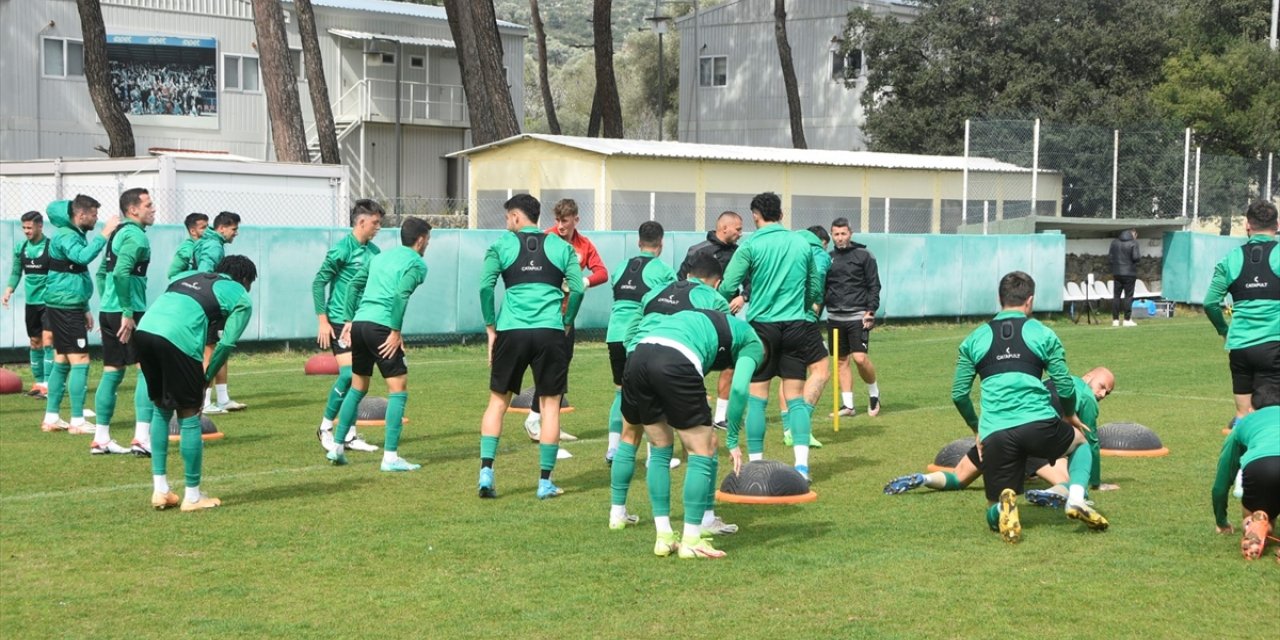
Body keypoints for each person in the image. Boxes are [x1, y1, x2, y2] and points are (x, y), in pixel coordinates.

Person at [952, 271, 1107, 543]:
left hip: (996, 433)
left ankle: (1002, 507)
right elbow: (1065, 385)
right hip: (1039, 424)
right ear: (1030, 300)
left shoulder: (974, 339)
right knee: (1081, 442)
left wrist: (978, 428)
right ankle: (1076, 496)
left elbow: (959, 395)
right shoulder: (1043, 333)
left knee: (992, 511)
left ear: (1000, 299)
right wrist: (1069, 414)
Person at [609, 253, 737, 536]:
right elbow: (719, 342)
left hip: (637, 360)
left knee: (633, 437)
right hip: (678, 367)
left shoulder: (655, 292)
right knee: (706, 443)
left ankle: (617, 512)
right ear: (716, 283)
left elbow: (636, 328)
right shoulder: (713, 299)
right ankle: (705, 519)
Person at [621, 309, 763, 558]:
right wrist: (731, 440)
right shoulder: (754, 343)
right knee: (702, 450)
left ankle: (664, 537)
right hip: (675, 359)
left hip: (638, 357)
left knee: (660, 447)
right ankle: (692, 540)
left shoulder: (712, 324)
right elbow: (739, 389)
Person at [477, 194, 584, 499]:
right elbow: (577, 289)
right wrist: (567, 321)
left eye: (507, 217)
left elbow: (485, 286)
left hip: (511, 332)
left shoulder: (501, 246)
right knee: (550, 407)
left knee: (497, 402)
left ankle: (486, 471)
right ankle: (544, 482)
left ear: (515, 217)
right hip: (550, 333)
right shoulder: (562, 247)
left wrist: (490, 328)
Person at [718, 192, 826, 479]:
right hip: (795, 325)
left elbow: (729, 284)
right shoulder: (801, 242)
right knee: (795, 397)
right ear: (780, 213)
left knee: (757, 398)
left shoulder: (751, 243)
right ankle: (802, 466)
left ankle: (755, 465)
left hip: (762, 328)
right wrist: (804, 307)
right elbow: (815, 286)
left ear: (755, 215)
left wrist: (719, 304)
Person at [138, 255, 256, 511]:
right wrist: (205, 379)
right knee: (190, 414)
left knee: (161, 408)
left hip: (144, 332)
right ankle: (192, 497)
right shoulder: (240, 295)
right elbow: (225, 345)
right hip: (177, 340)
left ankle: (161, 491)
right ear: (245, 281)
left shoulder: (187, 276)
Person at [326, 218, 432, 471]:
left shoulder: (381, 257)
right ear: (420, 240)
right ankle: (391, 458)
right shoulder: (417, 264)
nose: (428, 243)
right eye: (428, 239)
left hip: (361, 325)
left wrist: (349, 319)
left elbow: (353, 285)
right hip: (381, 328)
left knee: (358, 386)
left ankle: (337, 447)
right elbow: (400, 295)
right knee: (398, 389)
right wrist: (395, 330)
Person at [522, 198, 606, 451]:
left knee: (560, 368)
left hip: (566, 317)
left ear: (576, 220)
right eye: (557, 220)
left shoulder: (584, 245)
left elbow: (602, 272)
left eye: (565, 220)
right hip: (542, 315)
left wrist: (583, 282)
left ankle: (544, 421)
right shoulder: (545, 238)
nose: (560, 225)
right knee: (547, 368)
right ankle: (536, 420)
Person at [40, 196, 120, 435]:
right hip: (65, 306)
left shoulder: (72, 233)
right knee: (80, 361)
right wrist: (104, 234)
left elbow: (74, 271)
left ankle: (52, 418)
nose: (97, 219)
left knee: (63, 360)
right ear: (81, 214)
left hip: (67, 304)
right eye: (94, 214)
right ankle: (77, 420)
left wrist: (84, 306)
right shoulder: (66, 235)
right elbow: (82, 257)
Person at [313, 200, 385, 454]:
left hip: (361, 323)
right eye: (375, 222)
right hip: (337, 322)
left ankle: (350, 435)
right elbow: (318, 283)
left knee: (359, 379)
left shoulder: (375, 253)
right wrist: (322, 320)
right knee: (348, 376)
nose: (379, 227)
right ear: (361, 222)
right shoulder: (341, 250)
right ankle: (324, 429)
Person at [91, 188, 157, 456]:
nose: (153, 209)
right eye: (148, 205)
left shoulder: (118, 233)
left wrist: (107, 306)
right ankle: (141, 438)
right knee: (146, 370)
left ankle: (101, 439)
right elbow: (120, 272)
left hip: (110, 310)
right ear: (133, 210)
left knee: (112, 372)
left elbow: (100, 274)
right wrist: (127, 312)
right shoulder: (135, 236)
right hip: (127, 311)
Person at [604, 221, 676, 464]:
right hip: (641, 338)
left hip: (614, 335)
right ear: (661, 243)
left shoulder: (621, 267)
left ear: (638, 242)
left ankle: (613, 448)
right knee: (652, 394)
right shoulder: (663, 270)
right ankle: (652, 455)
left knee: (620, 392)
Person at [1204, 200, 1279, 428]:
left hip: (1240, 347)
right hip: (1273, 346)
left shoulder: (1231, 259)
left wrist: (1223, 330)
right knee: (1271, 417)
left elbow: (1210, 303)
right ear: (1277, 225)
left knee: (1243, 415)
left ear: (1247, 225)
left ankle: (1240, 464)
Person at [677, 210, 747, 426]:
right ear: (724, 227)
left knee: (730, 363)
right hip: (703, 318)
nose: (741, 234)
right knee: (698, 362)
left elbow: (753, 279)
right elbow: (681, 279)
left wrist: (743, 297)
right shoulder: (698, 251)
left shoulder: (741, 252)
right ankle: (687, 409)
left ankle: (719, 417)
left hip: (729, 317)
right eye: (738, 229)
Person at [1211, 384, 1280, 561]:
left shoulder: (1243, 425)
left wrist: (1221, 521)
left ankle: (1255, 524)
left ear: (1251, 409)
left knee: (1255, 513)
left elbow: (1222, 479)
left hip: (1259, 466)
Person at [825, 217, 882, 418]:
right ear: (831, 235)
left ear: (850, 233)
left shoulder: (864, 255)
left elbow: (874, 285)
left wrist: (871, 310)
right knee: (840, 361)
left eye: (843, 233)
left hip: (858, 316)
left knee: (859, 358)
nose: (840, 238)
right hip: (834, 317)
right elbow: (822, 287)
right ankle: (848, 406)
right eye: (836, 234)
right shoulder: (827, 257)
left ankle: (874, 393)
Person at [193, 211, 245, 414]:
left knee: (220, 350)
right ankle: (204, 401)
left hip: (212, 305)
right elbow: (204, 275)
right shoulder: (214, 247)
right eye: (234, 229)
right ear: (222, 228)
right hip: (210, 306)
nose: (236, 233)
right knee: (210, 351)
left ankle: (223, 399)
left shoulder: (210, 243)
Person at [2, 211, 54, 398]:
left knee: (49, 340)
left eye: (29, 227)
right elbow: (16, 272)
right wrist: (8, 290)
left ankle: (49, 384)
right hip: (31, 303)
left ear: (40, 226)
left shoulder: (51, 247)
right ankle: (38, 382)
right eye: (24, 227)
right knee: (35, 342)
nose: (26, 231)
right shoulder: (21, 248)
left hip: (49, 302)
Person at [1109, 227, 1140, 327]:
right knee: (1128, 296)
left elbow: (1110, 258)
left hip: (1117, 273)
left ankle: (1115, 320)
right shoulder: (1134, 243)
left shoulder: (1114, 243)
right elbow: (1136, 258)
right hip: (1129, 273)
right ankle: (1127, 319)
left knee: (1116, 296)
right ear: (1133, 234)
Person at [166, 213, 208, 280]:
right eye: (203, 228)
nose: (208, 230)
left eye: (207, 226)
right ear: (193, 231)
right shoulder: (186, 250)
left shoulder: (206, 246)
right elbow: (172, 274)